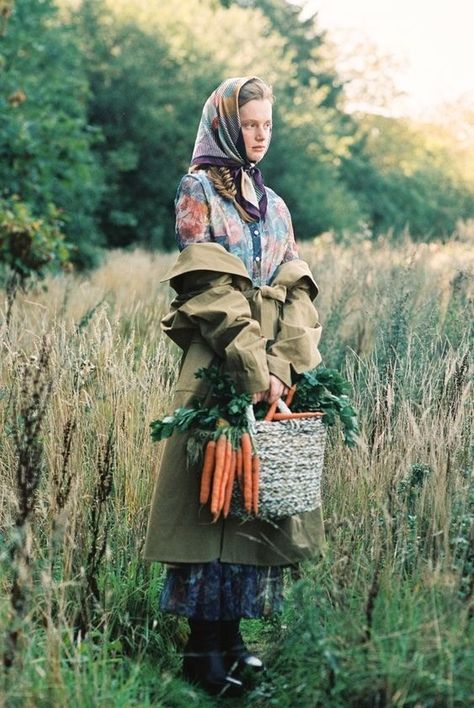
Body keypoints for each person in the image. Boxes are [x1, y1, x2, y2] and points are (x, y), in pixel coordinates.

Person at [144, 76, 324, 697]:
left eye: (268, 125)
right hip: (219, 359)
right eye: (250, 124)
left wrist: (282, 367)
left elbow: (296, 285)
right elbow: (206, 285)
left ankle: (236, 639)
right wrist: (251, 366)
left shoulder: (274, 205)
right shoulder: (198, 189)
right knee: (209, 501)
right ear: (225, 124)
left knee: (255, 498)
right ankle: (202, 649)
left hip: (270, 364)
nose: (260, 135)